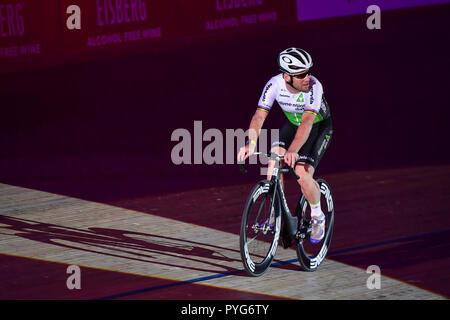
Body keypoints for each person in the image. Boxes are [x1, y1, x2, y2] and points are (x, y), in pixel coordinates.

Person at [237, 47, 333, 244]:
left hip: (318, 126)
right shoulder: (274, 85)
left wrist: (293, 151)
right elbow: (259, 116)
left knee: (302, 174)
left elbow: (307, 123)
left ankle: (317, 216)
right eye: (301, 74)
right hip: (293, 124)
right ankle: (275, 213)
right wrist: (251, 143)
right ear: (287, 76)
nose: (308, 77)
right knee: (273, 162)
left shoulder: (314, 86)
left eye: (309, 71)